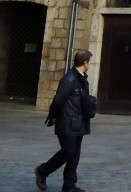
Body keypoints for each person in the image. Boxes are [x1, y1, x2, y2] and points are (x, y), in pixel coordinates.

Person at [36, 49, 96, 192]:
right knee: (68, 151)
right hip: (68, 121)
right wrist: (53, 117)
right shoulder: (69, 79)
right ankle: (43, 171)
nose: (90, 64)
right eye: (90, 62)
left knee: (74, 154)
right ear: (85, 62)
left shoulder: (82, 78)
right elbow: (58, 100)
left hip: (79, 121)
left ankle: (69, 185)